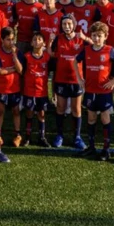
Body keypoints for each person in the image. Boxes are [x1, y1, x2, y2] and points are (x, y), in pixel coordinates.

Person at [78, 22, 114, 161]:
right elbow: (76, 61)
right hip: (90, 90)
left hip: (104, 91)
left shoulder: (109, 50)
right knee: (91, 117)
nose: (97, 38)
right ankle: (91, 147)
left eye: (100, 36)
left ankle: (106, 149)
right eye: (94, 35)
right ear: (90, 36)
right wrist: (79, 78)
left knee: (105, 118)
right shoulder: (86, 49)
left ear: (105, 36)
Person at [51, 13, 87, 150]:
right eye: (64, 24)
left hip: (76, 79)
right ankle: (59, 135)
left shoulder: (81, 39)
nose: (67, 26)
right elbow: (52, 53)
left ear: (74, 24)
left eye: (69, 24)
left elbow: (96, 46)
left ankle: (77, 137)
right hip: (61, 78)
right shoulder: (58, 39)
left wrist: (85, 38)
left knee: (76, 109)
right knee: (60, 107)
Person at [0, 27, 24, 146]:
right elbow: (1, 71)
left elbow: (21, 70)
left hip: (15, 88)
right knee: (0, 111)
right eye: (8, 40)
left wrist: (14, 56)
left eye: (12, 40)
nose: (11, 42)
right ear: (2, 39)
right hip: (2, 89)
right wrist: (14, 69)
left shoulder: (18, 52)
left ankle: (18, 135)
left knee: (16, 111)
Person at [20, 32, 53, 147]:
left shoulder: (47, 57)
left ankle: (42, 137)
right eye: (35, 39)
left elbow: (52, 70)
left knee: (41, 114)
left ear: (44, 43)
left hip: (42, 92)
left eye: (39, 39)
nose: (37, 41)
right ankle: (27, 137)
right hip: (29, 91)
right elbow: (22, 72)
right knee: (29, 113)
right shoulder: (27, 56)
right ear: (31, 42)